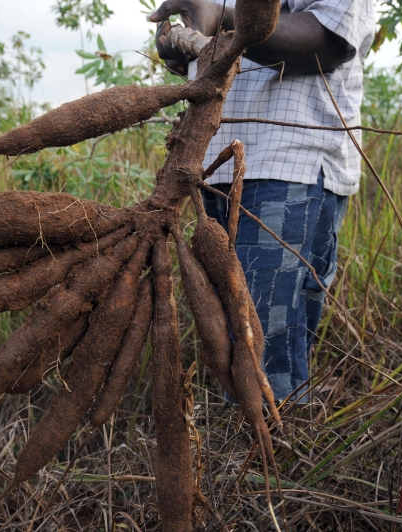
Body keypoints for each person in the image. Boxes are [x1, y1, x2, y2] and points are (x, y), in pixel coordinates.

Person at [149, 0, 375, 402]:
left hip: (289, 161)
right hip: (216, 161)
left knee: (263, 346)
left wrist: (222, 16)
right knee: (233, 341)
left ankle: (271, 458)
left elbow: (328, 40)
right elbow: (209, 54)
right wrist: (180, 43)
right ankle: (246, 449)